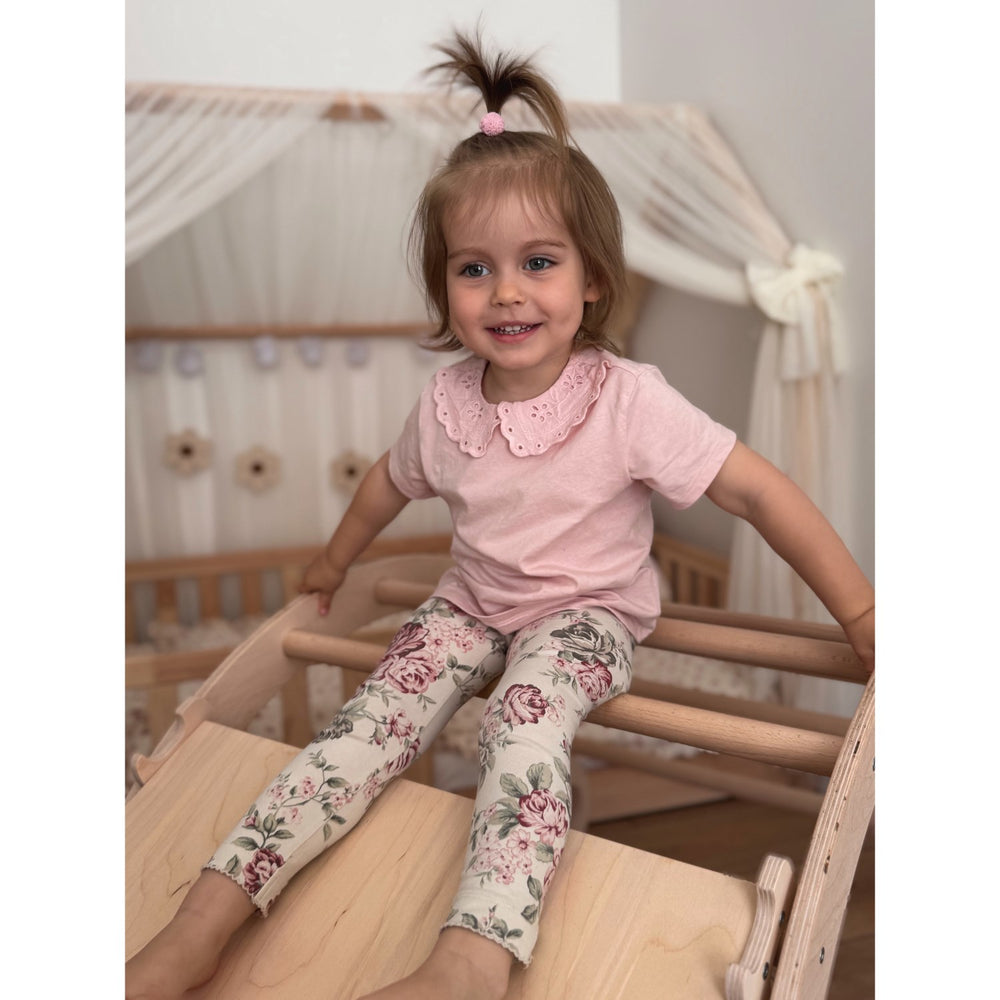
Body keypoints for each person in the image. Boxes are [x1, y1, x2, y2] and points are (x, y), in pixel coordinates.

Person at [125, 30, 874, 1000]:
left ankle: (474, 959)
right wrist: (332, 561)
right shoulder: (446, 402)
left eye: (538, 261)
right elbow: (386, 484)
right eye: (473, 268)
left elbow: (757, 490)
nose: (507, 290)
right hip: (470, 602)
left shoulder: (627, 399)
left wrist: (860, 611)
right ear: (444, 284)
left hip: (586, 613)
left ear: (592, 277)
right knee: (361, 728)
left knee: (520, 727)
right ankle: (202, 921)